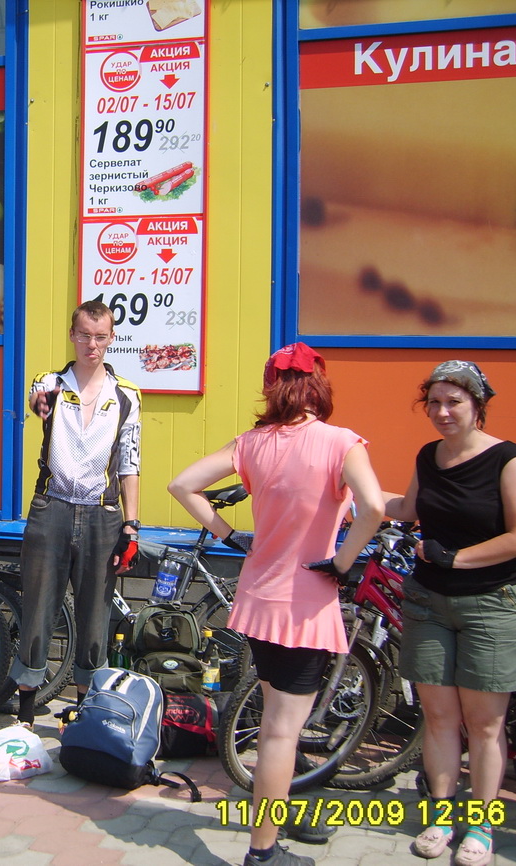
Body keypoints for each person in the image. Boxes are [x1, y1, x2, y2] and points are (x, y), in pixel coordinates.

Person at [168, 342, 383, 866]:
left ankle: (275, 824)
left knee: (275, 725)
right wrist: (342, 562)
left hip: (259, 598)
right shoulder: (341, 442)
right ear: (318, 385)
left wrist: (228, 533)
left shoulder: (253, 443)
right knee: (282, 732)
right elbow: (374, 507)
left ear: (272, 387)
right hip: (306, 606)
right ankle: (263, 852)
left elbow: (182, 484)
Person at [383, 360, 516, 866]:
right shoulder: (429, 456)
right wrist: (350, 490)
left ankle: (482, 826)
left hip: (491, 603)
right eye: (434, 402)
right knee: (438, 717)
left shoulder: (508, 459)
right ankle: (441, 817)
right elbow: (407, 508)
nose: (442, 411)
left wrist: (456, 558)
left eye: (454, 402)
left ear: (478, 405)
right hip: (429, 603)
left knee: (484, 725)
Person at [10, 300, 142, 727]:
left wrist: (132, 524)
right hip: (52, 508)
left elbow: (130, 461)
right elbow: (36, 403)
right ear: (72, 335)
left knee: (94, 617)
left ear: (112, 338)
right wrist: (44, 401)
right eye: (84, 335)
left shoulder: (127, 395)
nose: (91, 345)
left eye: (100, 337)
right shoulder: (50, 382)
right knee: (38, 609)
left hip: (102, 514)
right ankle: (25, 713)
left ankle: (84, 712)